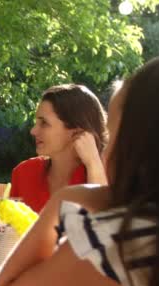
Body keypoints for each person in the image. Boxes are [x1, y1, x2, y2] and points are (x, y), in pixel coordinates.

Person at [0, 51, 159, 286]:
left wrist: (62, 202)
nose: (33, 131)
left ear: (139, 145)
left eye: (111, 134)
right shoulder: (25, 171)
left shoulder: (115, 237)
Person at [9, 84, 108, 212]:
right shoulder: (23, 173)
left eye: (44, 123)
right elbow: (7, 229)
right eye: (36, 122)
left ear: (77, 132)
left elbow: (101, 226)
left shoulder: (104, 176)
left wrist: (93, 163)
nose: (33, 131)